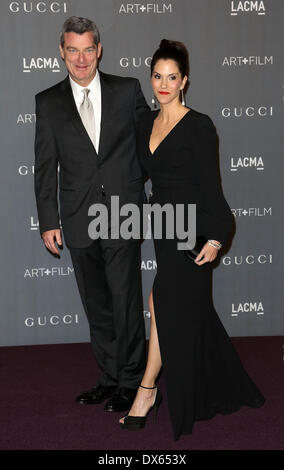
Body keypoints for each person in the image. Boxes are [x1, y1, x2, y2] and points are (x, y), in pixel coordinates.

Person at [119, 39, 265, 440]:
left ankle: (146, 392)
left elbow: (212, 189)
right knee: (180, 310)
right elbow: (135, 171)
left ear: (184, 81)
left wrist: (217, 238)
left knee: (160, 300)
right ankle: (216, 378)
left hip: (194, 230)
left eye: (172, 77)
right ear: (151, 80)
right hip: (164, 227)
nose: (163, 84)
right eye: (157, 77)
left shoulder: (199, 125)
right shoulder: (145, 122)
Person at [34, 16, 150, 412]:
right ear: (62, 53)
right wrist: (49, 220)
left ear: (99, 50)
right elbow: (45, 165)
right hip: (78, 214)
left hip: (124, 211)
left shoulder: (127, 90)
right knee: (97, 305)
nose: (81, 58)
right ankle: (111, 377)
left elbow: (149, 146)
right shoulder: (47, 102)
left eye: (88, 49)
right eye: (72, 50)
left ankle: (134, 382)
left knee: (126, 301)